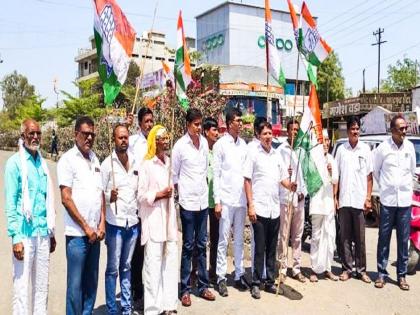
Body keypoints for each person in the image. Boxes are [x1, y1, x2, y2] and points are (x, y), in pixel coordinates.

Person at [4, 119, 56, 315]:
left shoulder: (41, 162)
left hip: (43, 232)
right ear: (22, 135)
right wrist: (15, 238)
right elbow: (11, 204)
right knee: (22, 287)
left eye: (38, 133)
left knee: (42, 287)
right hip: (24, 235)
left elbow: (46, 201)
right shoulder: (14, 163)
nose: (35, 137)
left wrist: (51, 234)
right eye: (31, 133)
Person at [57, 116, 106, 315]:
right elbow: (66, 198)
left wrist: (102, 223)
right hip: (78, 235)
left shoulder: (95, 159)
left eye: (92, 134)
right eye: (85, 134)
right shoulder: (67, 160)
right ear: (75, 134)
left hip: (96, 234)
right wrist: (86, 227)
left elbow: (100, 194)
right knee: (75, 286)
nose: (89, 138)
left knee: (91, 282)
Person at [243, 121, 297, 299]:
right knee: (260, 247)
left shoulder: (277, 155)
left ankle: (269, 281)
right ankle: (256, 282)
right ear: (258, 135)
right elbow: (247, 180)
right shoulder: (253, 154)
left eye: (270, 134)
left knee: (272, 248)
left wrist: (291, 186)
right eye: (264, 134)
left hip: (274, 208)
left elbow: (283, 179)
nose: (268, 137)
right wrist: (250, 205)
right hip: (259, 209)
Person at [172, 108, 216, 307]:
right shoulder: (180, 147)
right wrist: (179, 196)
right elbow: (174, 176)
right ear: (188, 124)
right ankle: (185, 289)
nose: (199, 128)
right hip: (188, 204)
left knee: (202, 245)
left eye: (200, 124)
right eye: (196, 124)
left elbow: (205, 171)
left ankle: (203, 285)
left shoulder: (205, 143)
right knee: (188, 246)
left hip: (202, 202)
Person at [138, 125, 178, 315]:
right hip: (154, 222)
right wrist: (160, 194)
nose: (166, 140)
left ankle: (169, 305)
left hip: (169, 222)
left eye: (167, 136)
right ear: (155, 141)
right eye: (162, 137)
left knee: (170, 264)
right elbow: (140, 196)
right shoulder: (147, 164)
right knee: (153, 266)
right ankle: (153, 309)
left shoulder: (169, 163)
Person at [101, 124, 140, 314]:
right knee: (113, 269)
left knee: (126, 266)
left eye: (126, 137)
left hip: (132, 223)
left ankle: (126, 307)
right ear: (114, 139)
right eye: (120, 138)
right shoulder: (107, 164)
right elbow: (98, 194)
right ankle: (111, 308)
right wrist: (109, 197)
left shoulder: (135, 161)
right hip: (114, 223)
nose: (124, 141)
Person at [373, 115, 416, 290]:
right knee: (384, 238)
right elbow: (376, 170)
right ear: (392, 130)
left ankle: (402, 275)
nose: (404, 131)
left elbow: (412, 170)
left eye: (405, 128)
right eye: (401, 128)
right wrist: (385, 187)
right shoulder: (383, 148)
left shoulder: (410, 147)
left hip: (405, 201)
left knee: (403, 239)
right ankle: (382, 274)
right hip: (388, 201)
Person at [214, 108, 249, 297]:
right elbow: (217, 175)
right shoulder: (220, 145)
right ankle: (220, 277)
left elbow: (246, 174)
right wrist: (217, 201)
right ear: (229, 124)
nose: (241, 123)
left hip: (241, 200)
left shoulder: (244, 145)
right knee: (223, 240)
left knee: (238, 241)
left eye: (241, 120)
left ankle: (239, 274)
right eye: (237, 120)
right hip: (226, 200)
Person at [334, 116, 373, 283]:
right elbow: (336, 176)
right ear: (348, 130)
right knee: (344, 238)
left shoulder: (365, 149)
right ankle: (347, 269)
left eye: (357, 129)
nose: (355, 131)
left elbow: (369, 176)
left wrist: (368, 198)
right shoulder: (341, 150)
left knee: (360, 238)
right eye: (352, 129)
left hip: (359, 200)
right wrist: (335, 198)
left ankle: (361, 270)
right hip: (344, 201)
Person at [128, 107, 154, 310]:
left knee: (151, 249)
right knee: (137, 250)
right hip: (138, 203)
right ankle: (136, 288)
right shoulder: (133, 143)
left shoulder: (156, 140)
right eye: (146, 121)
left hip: (154, 202)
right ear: (139, 123)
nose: (149, 124)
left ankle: (151, 288)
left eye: (151, 120)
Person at [277, 119, 307, 283]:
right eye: (292, 130)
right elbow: (281, 175)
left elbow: (305, 175)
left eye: (297, 130)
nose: (295, 133)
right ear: (287, 131)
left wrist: (303, 192)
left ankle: (296, 268)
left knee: (297, 236)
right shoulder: (281, 150)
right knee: (284, 236)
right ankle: (282, 269)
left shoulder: (302, 151)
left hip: (300, 199)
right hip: (286, 198)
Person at [309, 129, 339, 282]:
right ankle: (314, 269)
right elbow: (311, 181)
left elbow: (335, 181)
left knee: (330, 236)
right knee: (316, 236)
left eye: (327, 140)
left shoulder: (332, 159)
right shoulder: (313, 159)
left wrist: (330, 170)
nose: (326, 143)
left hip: (328, 204)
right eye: (323, 140)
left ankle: (328, 268)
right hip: (316, 204)